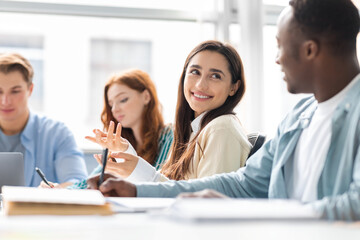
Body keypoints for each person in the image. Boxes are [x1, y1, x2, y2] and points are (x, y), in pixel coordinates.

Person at [88, 0, 360, 221]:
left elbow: (355, 206)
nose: (277, 58)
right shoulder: (300, 116)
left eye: (280, 45)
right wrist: (136, 191)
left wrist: (257, 213)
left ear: (310, 50)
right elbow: (243, 183)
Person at [89, 40, 251, 183]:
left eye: (215, 76)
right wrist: (126, 152)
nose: (201, 85)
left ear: (233, 87)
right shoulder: (194, 130)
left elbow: (207, 201)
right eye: (195, 72)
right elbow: (167, 186)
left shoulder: (221, 127)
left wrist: (136, 167)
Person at [69, 69, 173, 189]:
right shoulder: (121, 146)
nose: (114, 109)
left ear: (146, 97)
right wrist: (59, 190)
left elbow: (165, 186)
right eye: (111, 104)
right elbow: (87, 183)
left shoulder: (169, 137)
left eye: (123, 100)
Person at [0, 53, 88, 187]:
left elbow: (79, 183)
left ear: (30, 90)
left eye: (15, 91)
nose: (5, 101)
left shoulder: (57, 134)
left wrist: (56, 191)